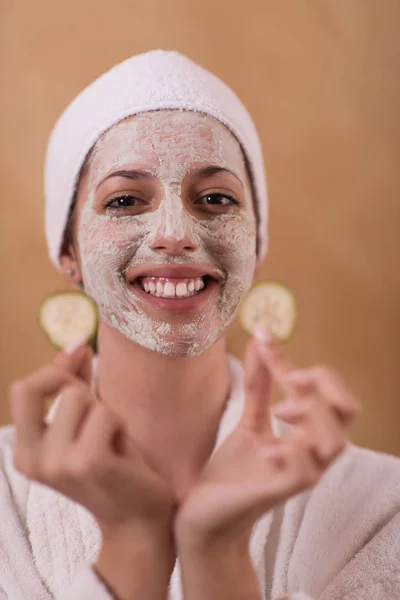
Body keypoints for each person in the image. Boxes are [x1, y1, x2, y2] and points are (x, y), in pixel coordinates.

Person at [1, 50, 399, 600]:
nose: (174, 234)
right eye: (123, 200)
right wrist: (133, 542)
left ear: (257, 242)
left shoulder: (383, 508)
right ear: (67, 250)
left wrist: (219, 553)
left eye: (215, 198)